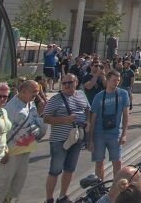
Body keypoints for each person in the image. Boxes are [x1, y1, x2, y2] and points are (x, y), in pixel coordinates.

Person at [0, 79, 46, 203]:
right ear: (24, 91)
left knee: (17, 184)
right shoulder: (11, 108)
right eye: (34, 92)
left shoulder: (30, 103)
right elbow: (1, 131)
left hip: (25, 150)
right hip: (11, 152)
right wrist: (3, 151)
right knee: (2, 183)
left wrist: (40, 112)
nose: (37, 94)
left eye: (37, 91)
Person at [43, 73, 90, 203]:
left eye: (70, 82)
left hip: (77, 137)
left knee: (69, 168)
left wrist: (88, 121)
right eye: (64, 83)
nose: (67, 85)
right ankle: (49, 199)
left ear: (76, 83)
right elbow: (46, 118)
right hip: (60, 139)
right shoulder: (56, 99)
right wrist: (65, 119)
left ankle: (62, 196)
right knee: (55, 170)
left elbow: (87, 109)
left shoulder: (81, 94)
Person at [88, 69, 129, 182]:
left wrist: (124, 134)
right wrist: (90, 139)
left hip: (115, 132)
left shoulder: (123, 94)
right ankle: (100, 185)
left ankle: (116, 186)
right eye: (114, 80)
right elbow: (93, 118)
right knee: (99, 162)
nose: (116, 83)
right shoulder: (99, 96)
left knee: (117, 161)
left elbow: (126, 116)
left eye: (118, 80)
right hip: (99, 133)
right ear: (107, 80)